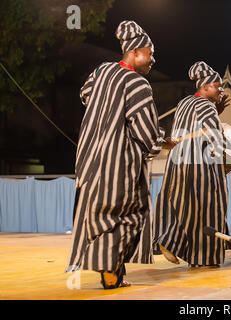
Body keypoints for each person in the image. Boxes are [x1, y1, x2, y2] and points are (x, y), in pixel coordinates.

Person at [66, 20, 167, 289]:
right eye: (149, 52)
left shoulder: (102, 71)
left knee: (102, 216)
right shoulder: (138, 85)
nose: (152, 59)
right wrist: (162, 141)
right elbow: (146, 133)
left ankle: (113, 272)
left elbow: (85, 94)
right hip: (119, 165)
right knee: (132, 215)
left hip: (89, 160)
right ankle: (110, 272)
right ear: (134, 52)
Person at [154, 61, 231, 268]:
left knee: (185, 206)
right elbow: (215, 138)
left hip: (177, 161)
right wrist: (227, 161)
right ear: (205, 87)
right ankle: (203, 259)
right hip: (199, 163)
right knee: (208, 208)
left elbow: (194, 128)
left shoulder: (185, 103)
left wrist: (216, 111)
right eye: (217, 86)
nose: (221, 89)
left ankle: (171, 240)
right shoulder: (207, 106)